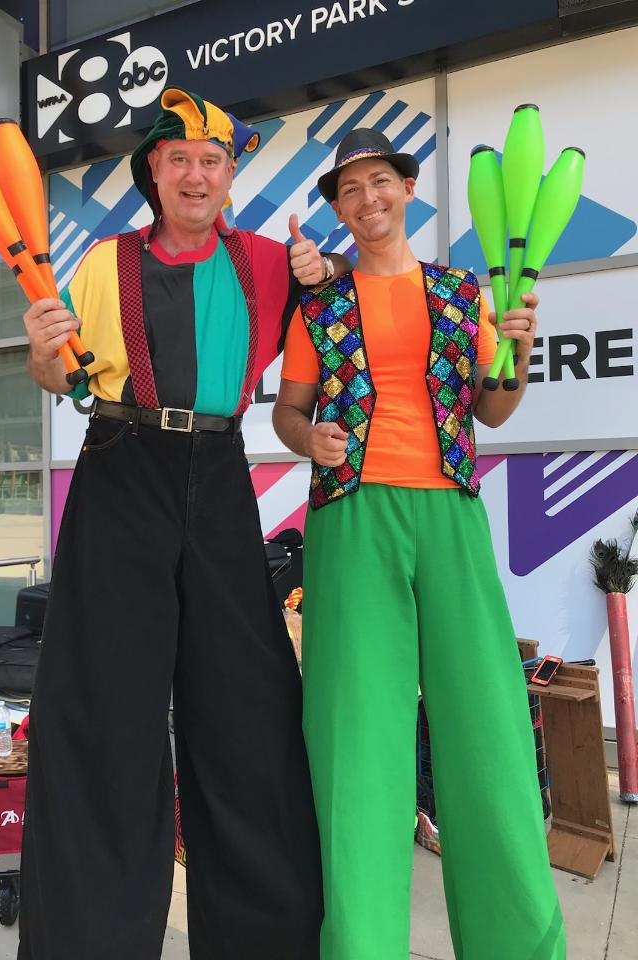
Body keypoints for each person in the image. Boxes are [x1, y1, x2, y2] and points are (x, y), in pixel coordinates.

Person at [18, 88, 350, 960]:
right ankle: (91, 941)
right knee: (101, 709)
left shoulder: (270, 263)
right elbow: (60, 378)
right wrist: (43, 349)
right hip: (122, 465)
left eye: (211, 162)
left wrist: (329, 279)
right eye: (178, 162)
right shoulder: (101, 263)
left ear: (230, 177)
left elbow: (337, 335)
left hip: (218, 471)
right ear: (153, 177)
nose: (195, 175)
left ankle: (263, 940)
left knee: (247, 708)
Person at [273, 127, 566, 960]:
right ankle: (360, 946)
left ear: (406, 190)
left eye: (381, 182)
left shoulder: (459, 292)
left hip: (450, 513)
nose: (368, 200)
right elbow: (288, 412)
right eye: (351, 189)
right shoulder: (320, 305)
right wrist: (311, 438)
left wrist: (520, 344)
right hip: (350, 515)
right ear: (338, 205)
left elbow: (495, 408)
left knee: (489, 727)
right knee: (355, 738)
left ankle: (518, 943)